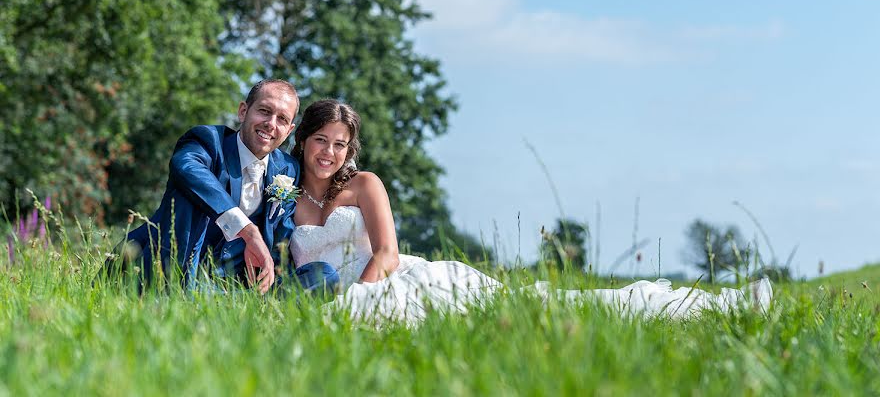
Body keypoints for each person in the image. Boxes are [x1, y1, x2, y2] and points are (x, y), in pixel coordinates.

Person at [287, 99, 774, 325]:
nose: (329, 153)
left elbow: (389, 253)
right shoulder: (283, 196)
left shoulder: (365, 185)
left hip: (391, 281)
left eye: (340, 144)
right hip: (331, 292)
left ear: (349, 149)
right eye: (321, 142)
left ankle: (715, 305)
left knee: (550, 309)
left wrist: (356, 299)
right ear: (304, 141)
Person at [115, 79, 331, 293]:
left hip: (235, 285)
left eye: (282, 119)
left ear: (289, 130)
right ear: (243, 111)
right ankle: (174, 294)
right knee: (189, 193)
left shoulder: (287, 168)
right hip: (177, 269)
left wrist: (269, 275)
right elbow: (186, 168)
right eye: (264, 111)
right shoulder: (208, 141)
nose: (271, 123)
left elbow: (281, 236)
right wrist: (247, 230)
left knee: (326, 275)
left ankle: (261, 306)